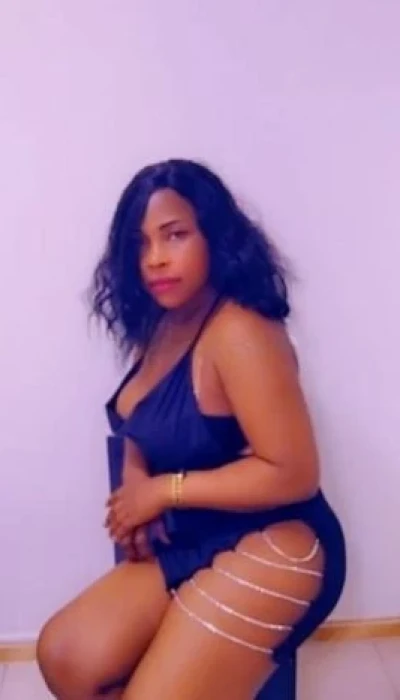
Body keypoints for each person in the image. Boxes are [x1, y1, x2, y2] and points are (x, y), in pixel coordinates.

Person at [37, 159, 346, 699]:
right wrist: (135, 478)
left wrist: (163, 491)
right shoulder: (164, 322)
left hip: (281, 537)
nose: (155, 258)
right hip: (198, 536)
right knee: (65, 656)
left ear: (214, 235)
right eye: (140, 244)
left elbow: (294, 473)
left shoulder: (241, 331)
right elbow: (140, 416)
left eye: (175, 235)